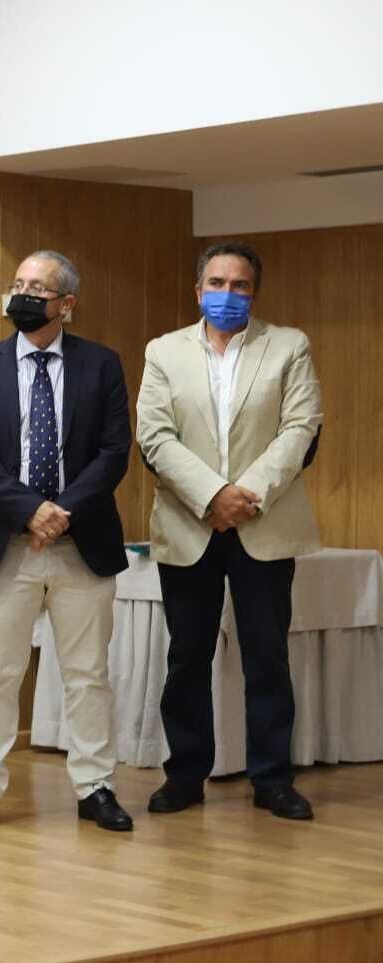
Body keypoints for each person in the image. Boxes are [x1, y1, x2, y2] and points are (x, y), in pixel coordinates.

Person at [136, 242, 323, 821]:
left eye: (239, 285)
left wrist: (245, 495)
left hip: (262, 524)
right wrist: (211, 496)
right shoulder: (163, 351)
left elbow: (300, 428)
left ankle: (272, 779)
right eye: (217, 283)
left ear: (254, 292)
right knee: (186, 658)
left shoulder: (289, 346)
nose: (227, 294)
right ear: (198, 291)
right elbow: (154, 435)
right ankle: (185, 776)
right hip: (189, 526)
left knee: (267, 659)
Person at [0, 251, 134, 833]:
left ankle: (94, 786)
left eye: (38, 287)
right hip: (4, 545)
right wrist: (32, 511)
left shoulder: (101, 366)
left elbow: (113, 451)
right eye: (18, 285)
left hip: (82, 544)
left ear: (66, 304)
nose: (23, 295)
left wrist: (62, 513)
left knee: (87, 674)